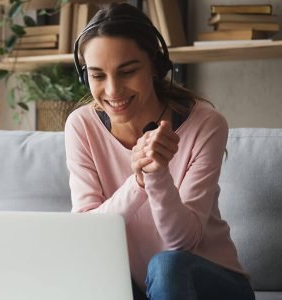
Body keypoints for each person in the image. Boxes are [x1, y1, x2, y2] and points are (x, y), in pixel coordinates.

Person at [64, 3, 255, 300]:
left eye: (127, 71)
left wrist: (156, 175)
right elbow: (87, 233)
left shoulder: (206, 124)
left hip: (209, 281)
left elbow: (182, 240)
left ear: (155, 65)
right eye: (98, 76)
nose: (113, 91)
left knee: (167, 266)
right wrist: (137, 181)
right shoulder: (81, 125)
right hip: (137, 288)